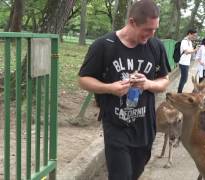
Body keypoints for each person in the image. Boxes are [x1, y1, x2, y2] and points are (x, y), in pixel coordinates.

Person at [78, 1, 170, 180]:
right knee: (121, 175)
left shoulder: (156, 46)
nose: (152, 35)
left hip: (145, 126)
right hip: (116, 125)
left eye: (154, 30)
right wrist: (109, 88)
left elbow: (164, 80)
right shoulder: (104, 45)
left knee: (135, 173)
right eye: (147, 29)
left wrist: (148, 84)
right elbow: (83, 80)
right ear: (132, 22)